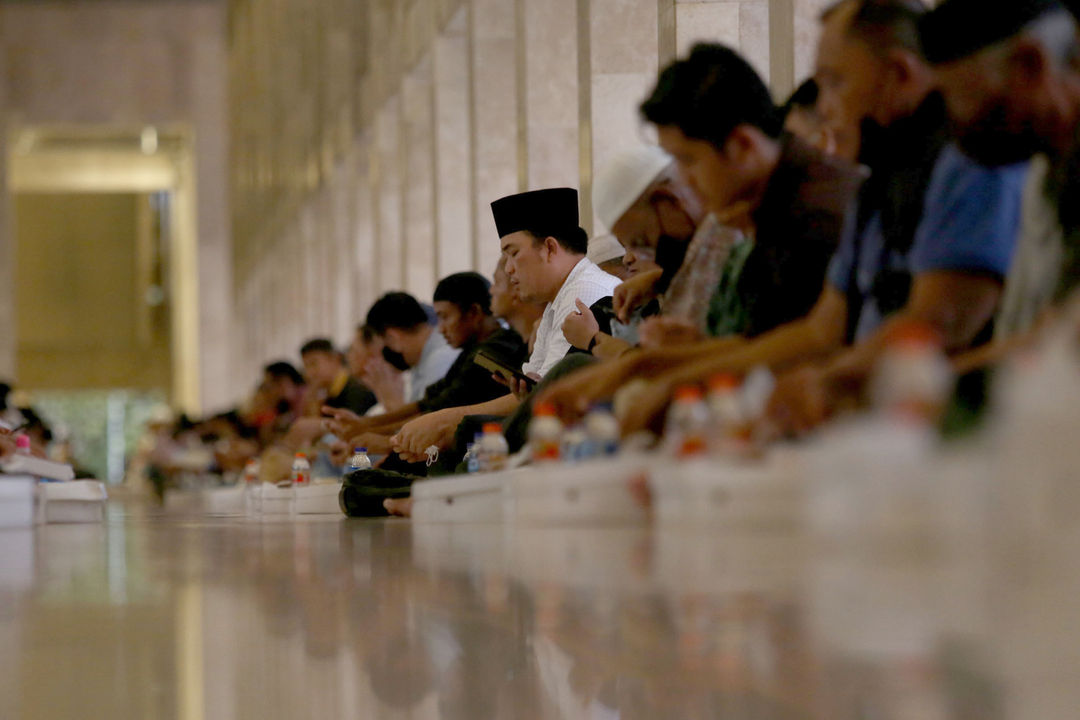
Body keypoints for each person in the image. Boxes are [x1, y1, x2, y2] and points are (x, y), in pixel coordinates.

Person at [540, 42, 866, 422]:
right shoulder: (771, 201)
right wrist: (651, 366)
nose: (685, 182)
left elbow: (810, 346)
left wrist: (652, 375)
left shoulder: (815, 210)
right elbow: (771, 339)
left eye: (688, 161)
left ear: (743, 145)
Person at [388, 187, 618, 462]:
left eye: (513, 253)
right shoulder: (558, 301)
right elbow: (535, 391)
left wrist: (445, 422)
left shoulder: (584, 294)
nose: (508, 269)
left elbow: (548, 398)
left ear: (549, 248)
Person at [921, 0, 1080, 343]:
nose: (953, 125)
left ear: (1030, 64)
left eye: (957, 98)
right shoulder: (1043, 173)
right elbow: (1032, 340)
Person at [324, 272, 528, 455]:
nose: (440, 329)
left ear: (474, 313)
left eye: (445, 317)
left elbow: (438, 415)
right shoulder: (473, 350)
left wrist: (382, 437)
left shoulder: (492, 351)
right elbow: (430, 402)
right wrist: (364, 425)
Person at [365, 292, 461, 405]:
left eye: (385, 344)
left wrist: (392, 401)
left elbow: (429, 421)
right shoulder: (423, 362)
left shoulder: (439, 361)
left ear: (393, 338)